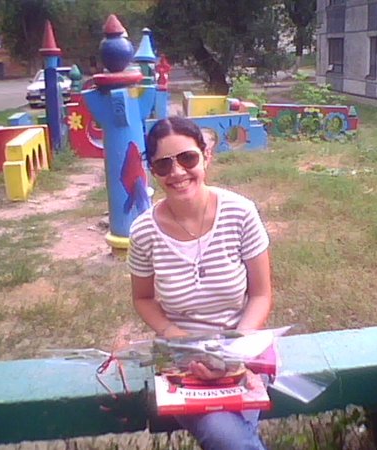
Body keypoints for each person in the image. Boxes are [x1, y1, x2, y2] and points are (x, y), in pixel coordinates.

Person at [127, 116, 272, 450]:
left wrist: (233, 351)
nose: (177, 172)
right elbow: (143, 299)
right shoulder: (144, 231)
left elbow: (261, 294)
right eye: (163, 165)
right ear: (152, 170)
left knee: (229, 438)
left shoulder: (240, 213)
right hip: (182, 358)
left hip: (241, 349)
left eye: (187, 158)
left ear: (206, 155)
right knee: (227, 437)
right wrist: (178, 337)